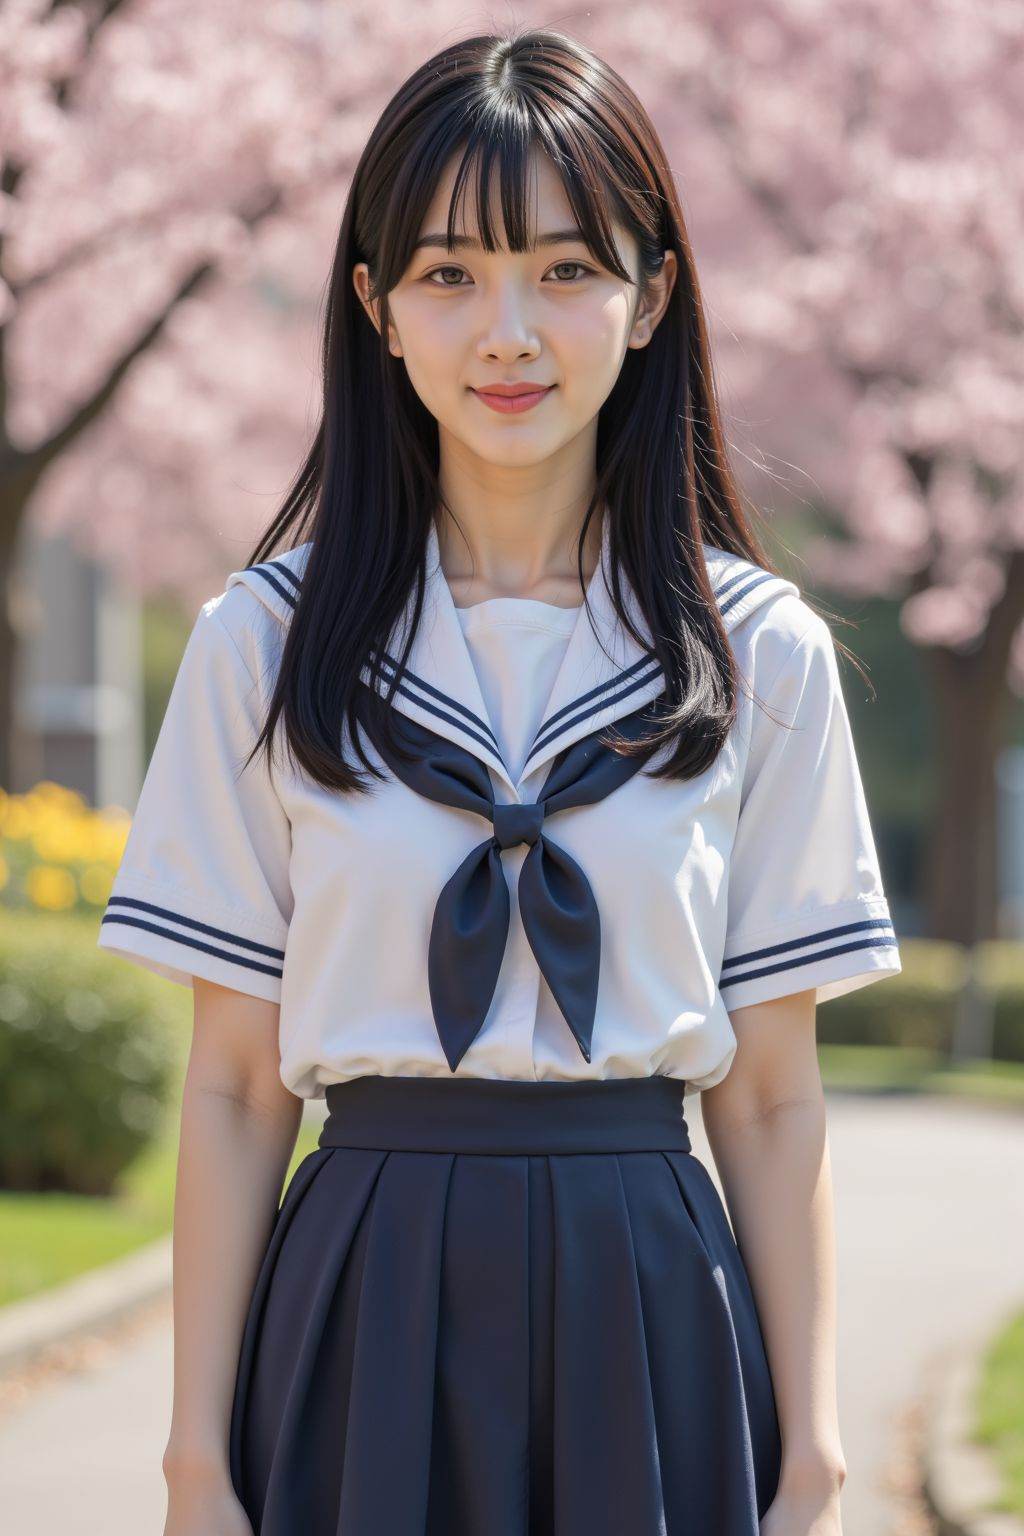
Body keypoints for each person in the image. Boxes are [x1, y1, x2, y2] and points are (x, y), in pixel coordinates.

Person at [97, 26, 902, 1536]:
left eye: (566, 270)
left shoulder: (756, 652)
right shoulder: (263, 644)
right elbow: (234, 1084)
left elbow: (774, 1095)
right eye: (450, 275)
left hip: (652, 1302)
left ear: (651, 298)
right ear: (376, 307)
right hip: (364, 1289)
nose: (508, 333)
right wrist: (195, 1466)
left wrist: (815, 1459)